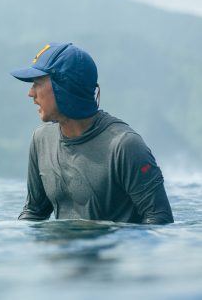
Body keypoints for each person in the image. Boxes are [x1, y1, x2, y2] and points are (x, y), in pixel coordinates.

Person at [10, 42, 173, 224]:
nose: (30, 93)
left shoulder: (125, 146)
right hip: (61, 251)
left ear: (64, 86)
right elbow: (33, 212)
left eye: (37, 83)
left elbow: (160, 220)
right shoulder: (41, 140)